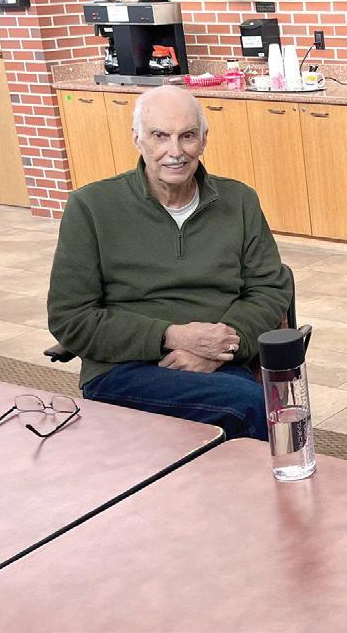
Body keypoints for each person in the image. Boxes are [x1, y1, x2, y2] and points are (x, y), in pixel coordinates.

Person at [48, 86, 291, 440]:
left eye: (187, 136)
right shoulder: (90, 207)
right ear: (137, 139)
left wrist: (220, 348)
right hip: (124, 368)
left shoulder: (239, 201)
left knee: (258, 405)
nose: (175, 151)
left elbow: (269, 289)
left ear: (204, 139)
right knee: (254, 405)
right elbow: (70, 318)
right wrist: (172, 336)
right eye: (160, 136)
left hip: (218, 364)